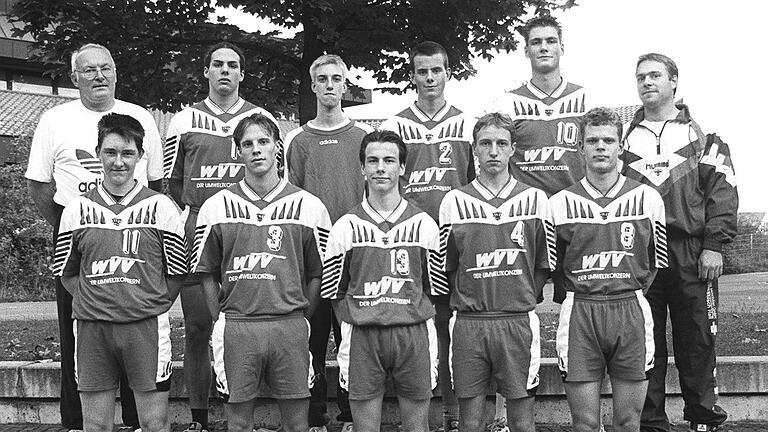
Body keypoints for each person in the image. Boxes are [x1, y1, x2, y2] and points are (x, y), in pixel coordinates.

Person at [25, 42, 163, 432]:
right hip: (79, 236)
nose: (99, 76)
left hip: (137, 230)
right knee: (77, 327)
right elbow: (38, 183)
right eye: (89, 70)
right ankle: (77, 422)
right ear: (74, 77)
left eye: (106, 68)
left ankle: (137, 420)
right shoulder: (55, 119)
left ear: (116, 73)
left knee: (139, 325)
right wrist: (69, 223)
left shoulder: (141, 118)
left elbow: (156, 181)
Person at [163, 41, 281, 432]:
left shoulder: (262, 118)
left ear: (242, 74)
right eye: (218, 64)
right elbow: (172, 182)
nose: (225, 70)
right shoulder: (183, 121)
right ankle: (199, 416)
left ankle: (243, 411)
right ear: (207, 72)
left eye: (233, 65)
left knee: (247, 324)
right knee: (199, 327)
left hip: (250, 232)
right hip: (196, 230)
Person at [191, 113, 331, 432]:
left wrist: (301, 316)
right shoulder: (217, 207)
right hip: (238, 326)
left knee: (297, 423)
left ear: (277, 148)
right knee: (238, 424)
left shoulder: (309, 207)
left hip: (290, 326)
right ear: (238, 151)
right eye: (248, 144)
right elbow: (206, 274)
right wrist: (223, 316)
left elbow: (317, 274)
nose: (256, 150)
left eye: (263, 142)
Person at [621, 53, 737, 432]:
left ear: (674, 82)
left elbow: (722, 193)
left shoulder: (703, 137)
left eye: (655, 75)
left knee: (698, 340)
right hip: (640, 253)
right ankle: (652, 423)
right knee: (645, 343)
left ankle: (704, 419)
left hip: (691, 250)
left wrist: (714, 245)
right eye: (640, 77)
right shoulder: (623, 138)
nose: (647, 82)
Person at [52, 113, 187, 432]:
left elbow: (177, 272)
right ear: (97, 153)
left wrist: (149, 304)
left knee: (154, 423)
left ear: (140, 156)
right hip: (92, 329)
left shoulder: (161, 208)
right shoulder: (76, 210)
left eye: (127, 153)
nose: (118, 162)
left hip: (146, 328)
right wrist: (96, 301)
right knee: (96, 424)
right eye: (110, 152)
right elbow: (66, 273)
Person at [321, 130, 447, 432]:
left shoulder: (424, 225)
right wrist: (359, 317)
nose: (380, 168)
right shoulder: (346, 227)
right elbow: (334, 293)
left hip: (413, 333)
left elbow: (435, 290)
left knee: (418, 428)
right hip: (364, 335)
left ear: (402, 168)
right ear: (362, 168)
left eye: (389, 160)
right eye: (373, 160)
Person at [551, 107, 667, 432]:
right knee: (585, 423)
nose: (600, 147)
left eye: (608, 140)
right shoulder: (558, 204)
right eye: (592, 140)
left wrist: (624, 285)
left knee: (628, 421)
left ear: (620, 146)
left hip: (630, 308)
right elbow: (553, 265)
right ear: (580, 148)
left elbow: (655, 263)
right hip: (580, 312)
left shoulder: (648, 198)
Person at [378, 41, 474, 431]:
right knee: (414, 327)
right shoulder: (397, 125)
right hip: (410, 241)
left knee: (457, 326)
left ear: (447, 72)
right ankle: (413, 416)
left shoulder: (467, 124)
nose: (430, 78)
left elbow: (474, 183)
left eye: (436, 70)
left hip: (456, 242)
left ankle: (453, 414)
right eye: (422, 71)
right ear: (413, 75)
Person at [438, 113, 555, 432]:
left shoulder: (535, 200)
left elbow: (544, 264)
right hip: (469, 323)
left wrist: (520, 295)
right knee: (470, 422)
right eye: (485, 143)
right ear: (474, 149)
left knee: (521, 421)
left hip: (516, 320)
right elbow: (448, 268)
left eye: (501, 143)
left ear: (513, 149)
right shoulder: (454, 202)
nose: (493, 151)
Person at [284, 53, 373, 432]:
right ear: (313, 85)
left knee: (352, 338)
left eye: (337, 78)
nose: (331, 85)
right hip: (314, 255)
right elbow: (293, 198)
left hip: (355, 253)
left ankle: (352, 415)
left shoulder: (364, 135)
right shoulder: (297, 139)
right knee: (313, 338)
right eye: (323, 79)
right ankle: (314, 415)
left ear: (345, 83)